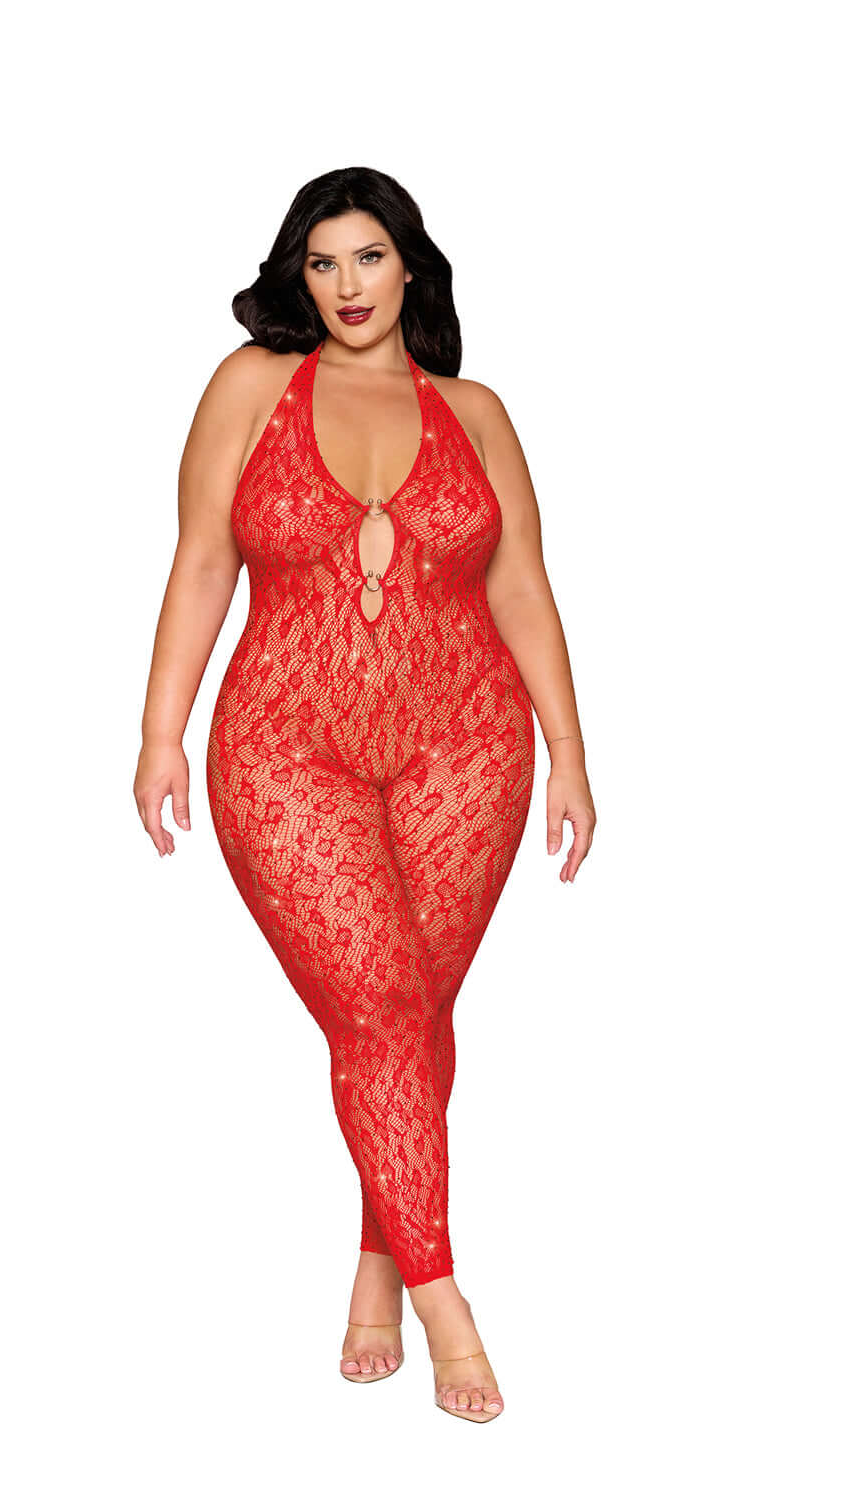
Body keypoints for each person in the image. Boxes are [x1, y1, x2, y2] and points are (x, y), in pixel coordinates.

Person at [134, 166, 596, 1423]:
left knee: (410, 1018)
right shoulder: (250, 384)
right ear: (299, 273)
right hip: (286, 743)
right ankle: (449, 1304)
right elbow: (201, 561)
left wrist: (567, 746)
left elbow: (521, 585)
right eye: (322, 261)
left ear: (410, 266)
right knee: (381, 1001)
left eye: (370, 256)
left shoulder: (476, 411)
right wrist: (161, 730)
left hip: (468, 743)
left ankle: (375, 1276)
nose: (347, 284)